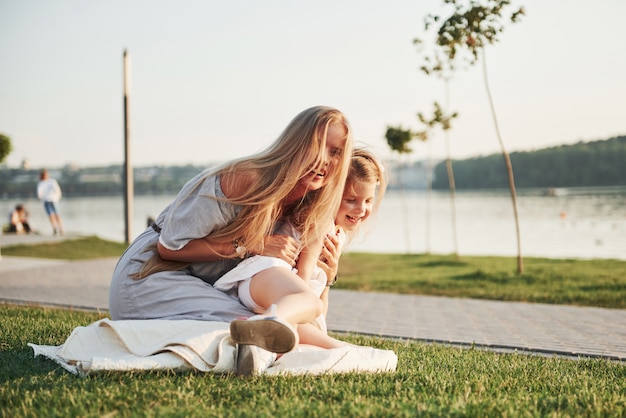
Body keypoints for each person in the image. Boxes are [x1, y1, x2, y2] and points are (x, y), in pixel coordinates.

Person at [108, 106, 354, 371]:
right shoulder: (245, 179)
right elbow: (169, 248)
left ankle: (344, 353)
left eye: (336, 152)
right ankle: (344, 354)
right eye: (318, 146)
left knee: (278, 324)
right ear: (295, 144)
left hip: (203, 286)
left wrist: (327, 277)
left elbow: (300, 292)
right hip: (151, 276)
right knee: (258, 328)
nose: (325, 160)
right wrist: (252, 244)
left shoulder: (312, 205)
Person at [215, 148, 387, 366]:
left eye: (368, 200)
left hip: (274, 293)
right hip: (265, 276)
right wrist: (305, 317)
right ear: (332, 195)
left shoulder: (338, 234)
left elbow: (319, 308)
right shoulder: (321, 221)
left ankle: (255, 345)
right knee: (317, 329)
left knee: (305, 340)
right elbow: (303, 282)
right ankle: (268, 322)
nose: (361, 209)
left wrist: (328, 280)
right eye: (352, 199)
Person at [37, 169, 64, 235]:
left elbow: (39, 194)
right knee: (56, 214)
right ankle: (60, 228)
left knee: (51, 215)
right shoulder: (52, 181)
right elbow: (57, 190)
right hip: (53, 199)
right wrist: (58, 197)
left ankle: (55, 228)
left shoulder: (41, 183)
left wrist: (42, 198)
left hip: (47, 200)